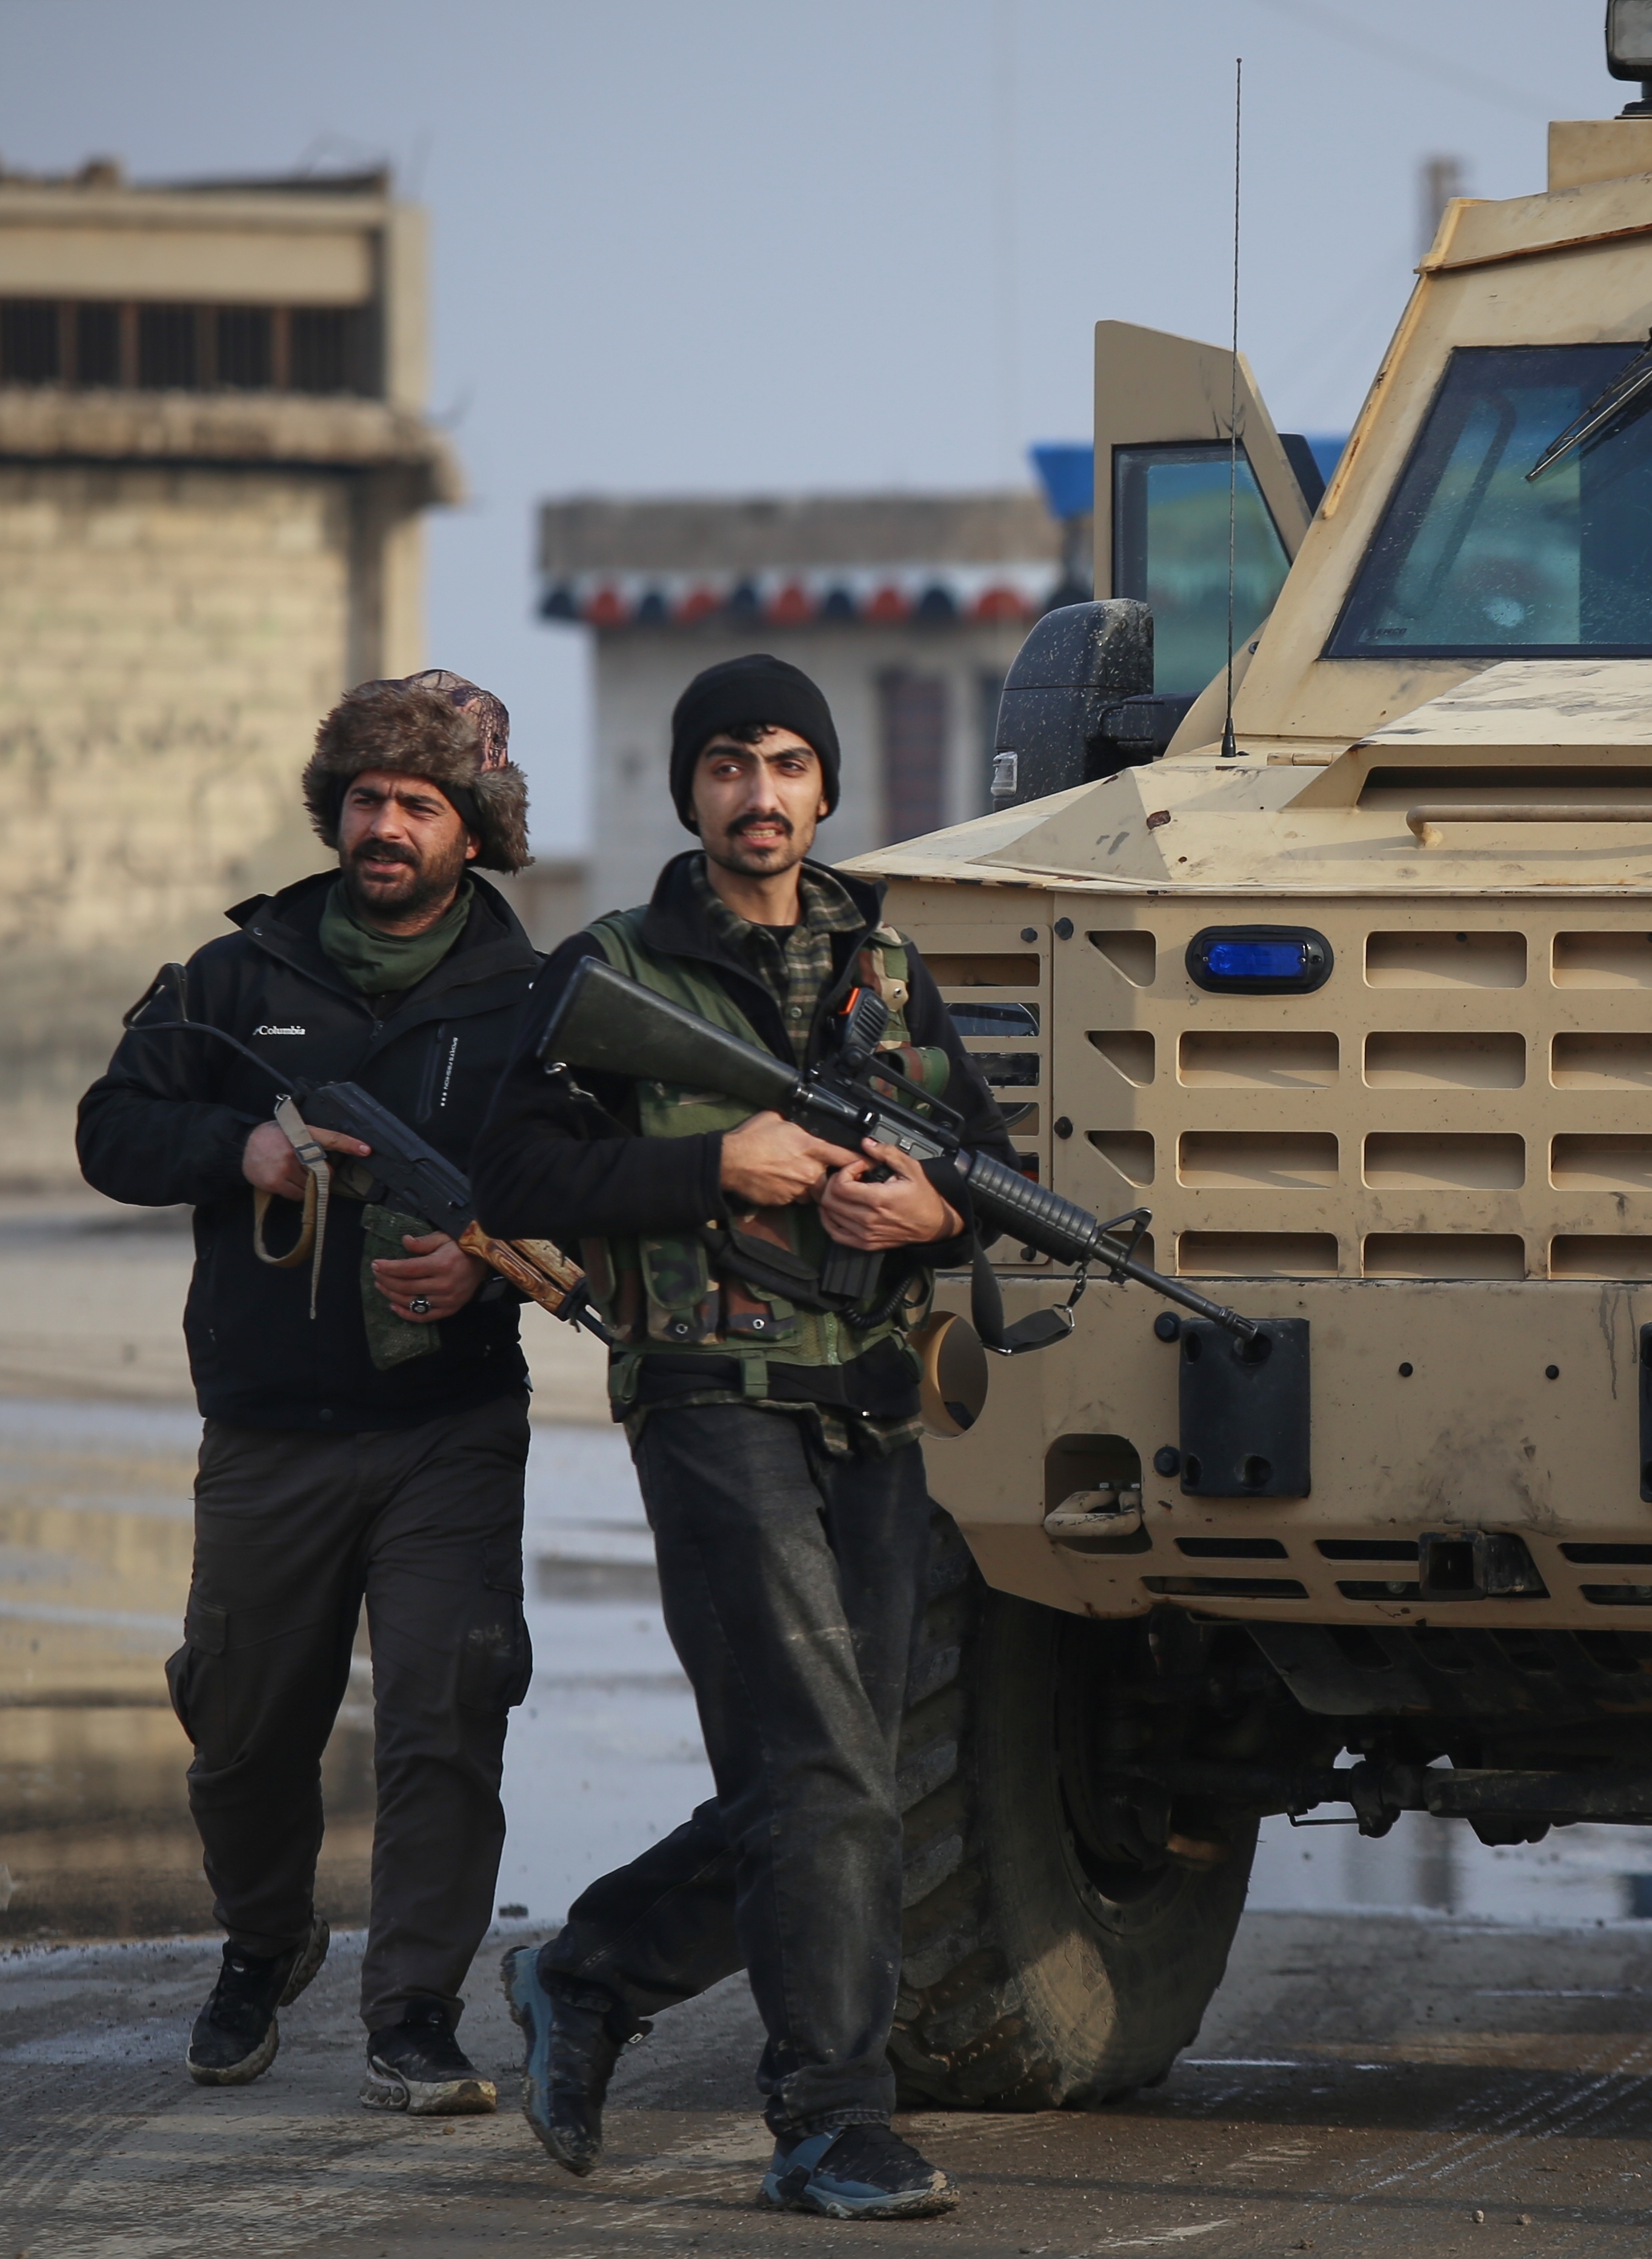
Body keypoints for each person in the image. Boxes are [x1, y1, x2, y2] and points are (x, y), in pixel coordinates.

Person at [471, 654, 1004, 2223]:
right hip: (709, 1394)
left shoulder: (885, 968)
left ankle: (589, 1973)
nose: (759, 794)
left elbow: (979, 1149)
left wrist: (937, 1202)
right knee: (829, 1770)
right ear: (690, 790)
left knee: (844, 1773)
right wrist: (722, 1166)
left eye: (786, 765)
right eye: (727, 766)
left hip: (866, 1405)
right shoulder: (613, 969)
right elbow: (513, 1176)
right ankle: (831, 2122)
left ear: (826, 790)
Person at [74, 671, 547, 2116]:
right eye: (365, 798)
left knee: (444, 1718)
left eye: (418, 802)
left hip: (448, 1428)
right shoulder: (237, 974)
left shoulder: (535, 995)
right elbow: (111, 1129)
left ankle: (413, 2009)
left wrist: (488, 1267)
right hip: (271, 1425)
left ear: (474, 829)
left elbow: (575, 1186)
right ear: (331, 810)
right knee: (240, 1719)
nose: (386, 824)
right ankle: (265, 1941)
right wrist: (244, 1152)